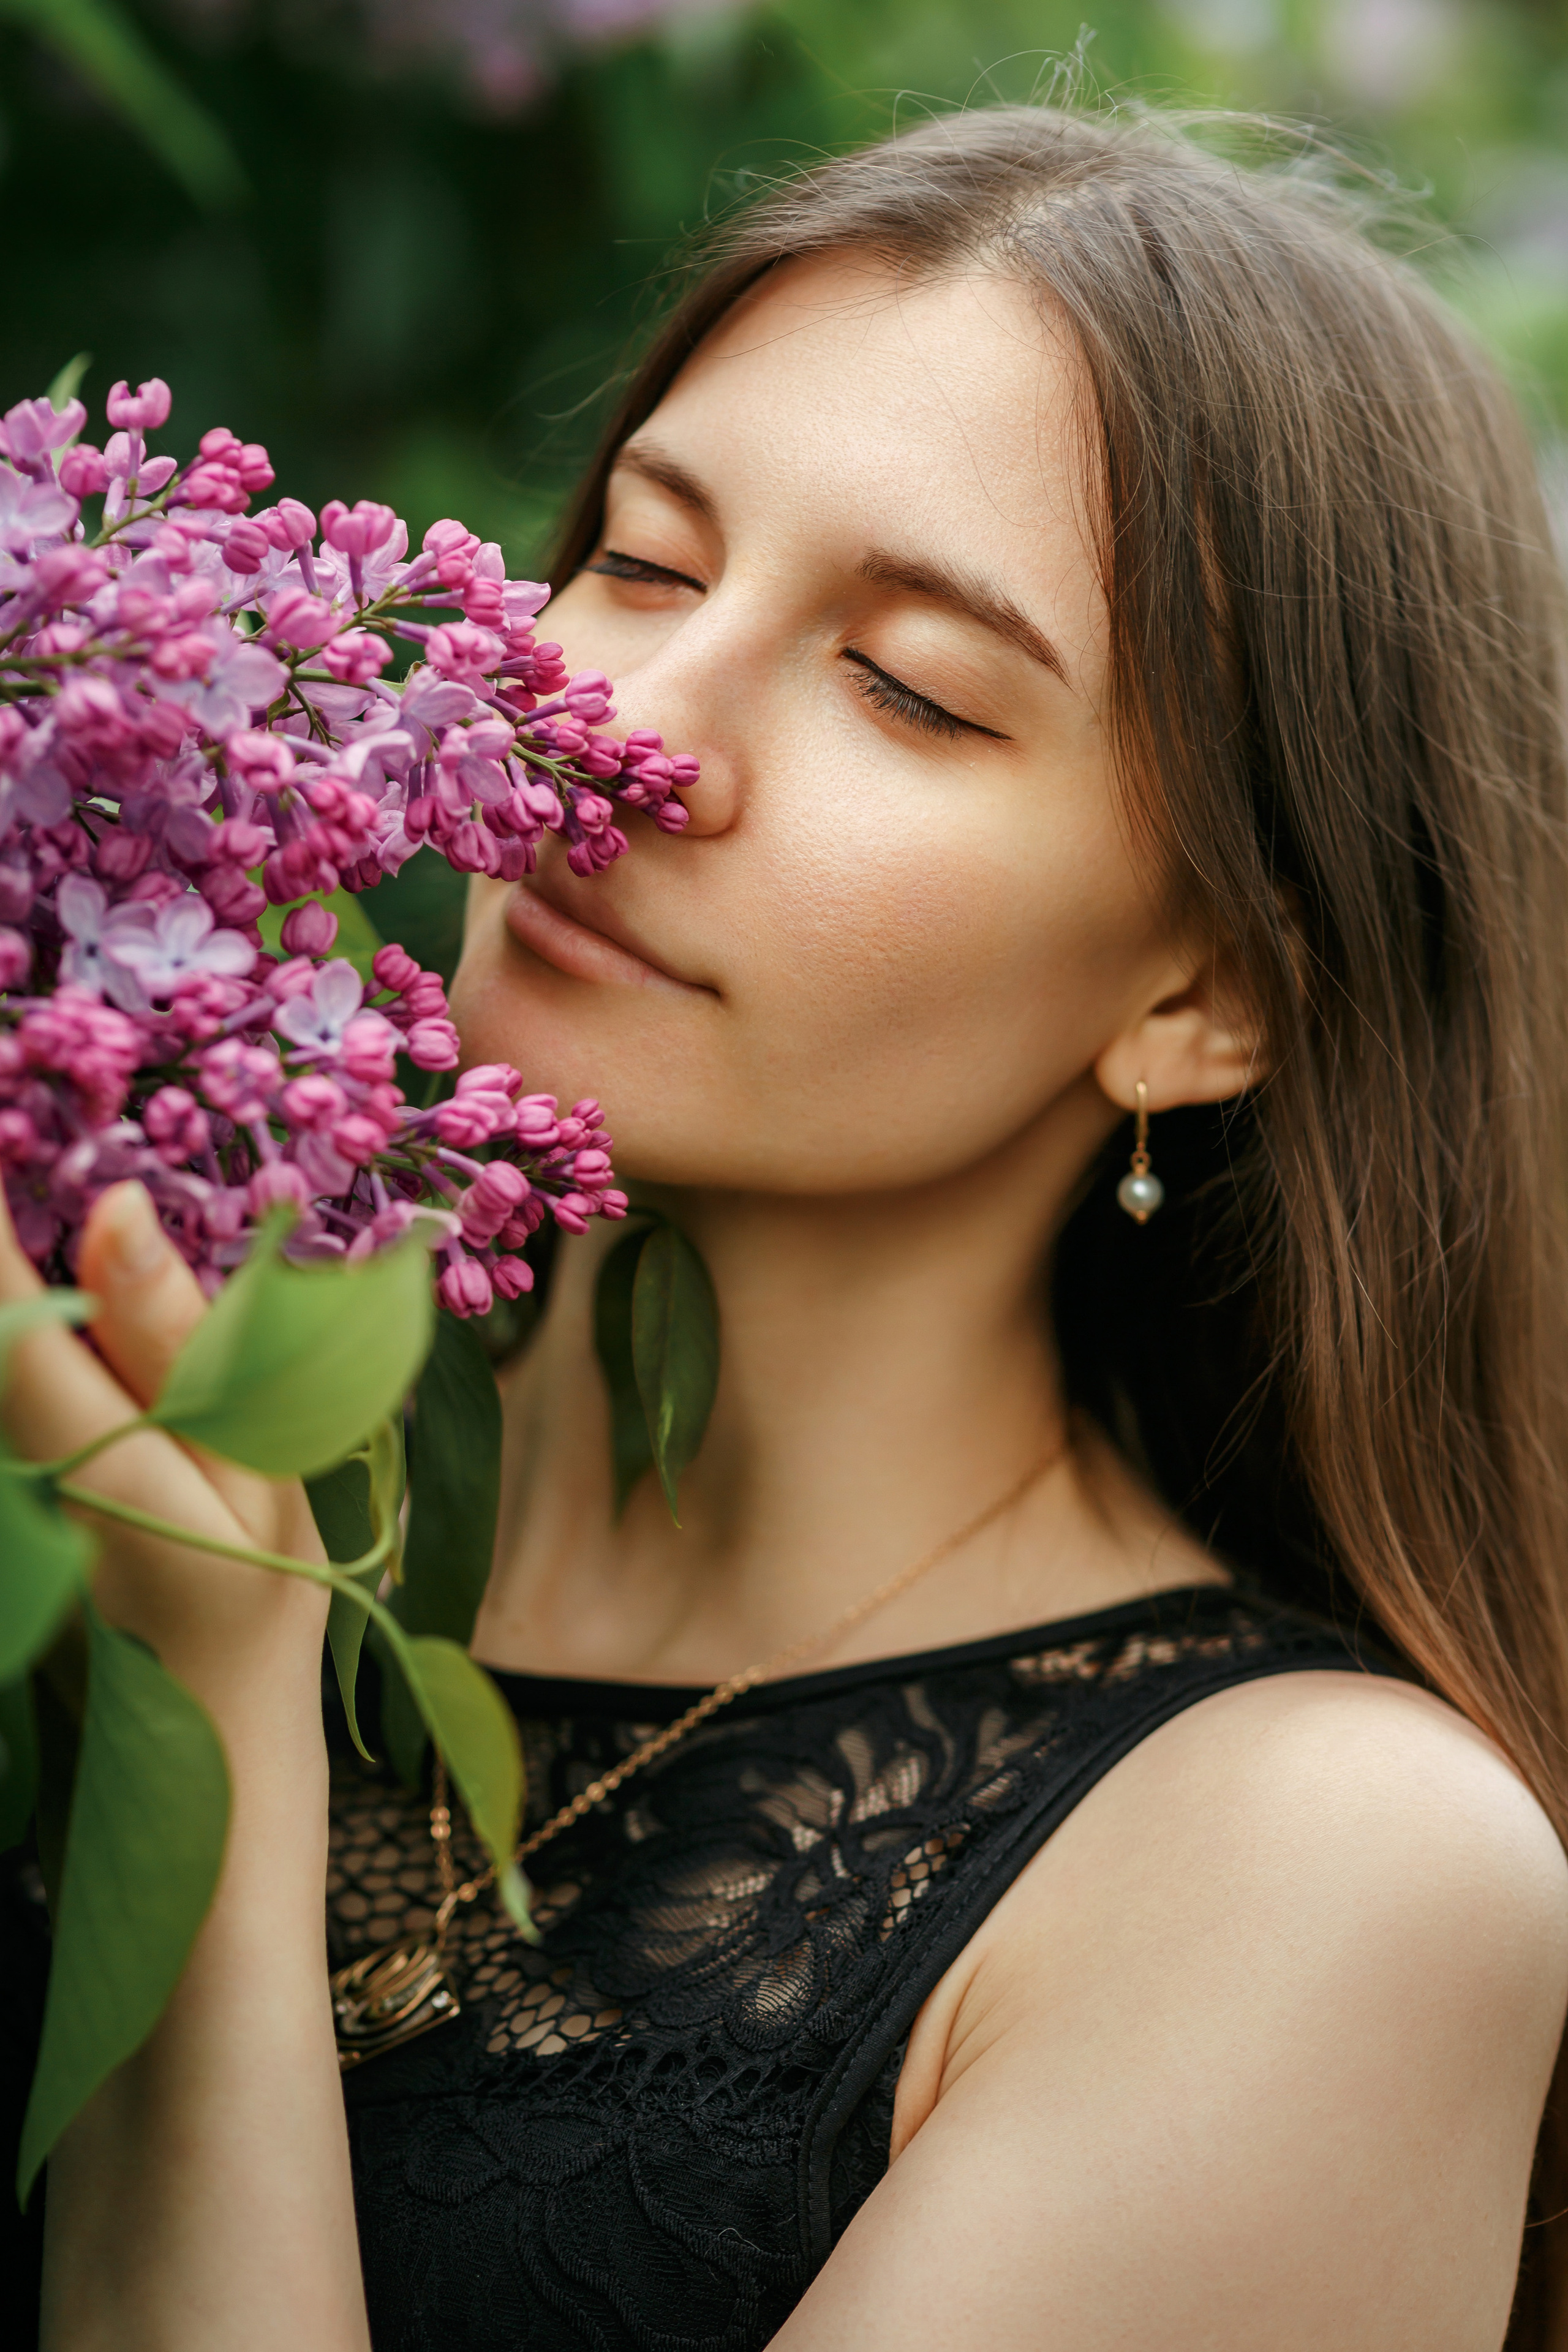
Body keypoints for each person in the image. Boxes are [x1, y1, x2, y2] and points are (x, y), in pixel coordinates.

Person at [5, 98, 1568, 2352]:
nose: (628, 728)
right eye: (643, 561)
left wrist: (211, 1737)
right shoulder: (130, 1311)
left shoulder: (1318, 1878)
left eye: (910, 685)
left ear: (1205, 994)